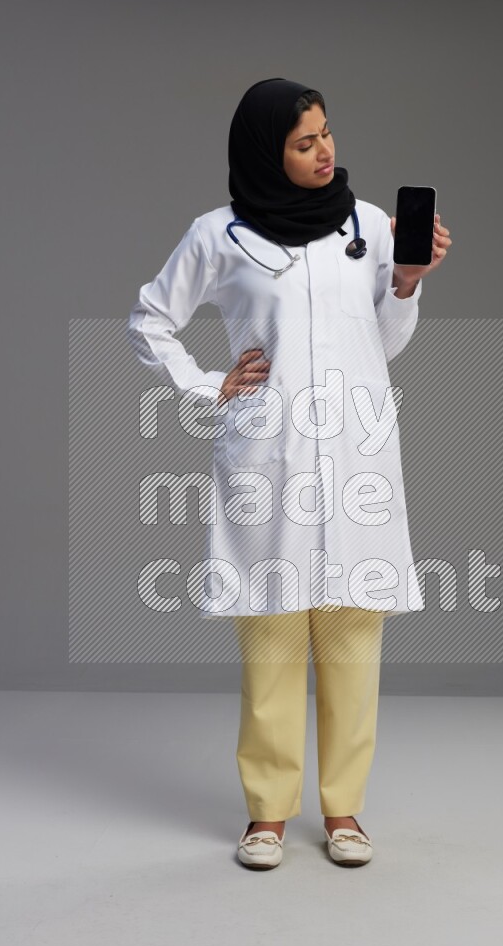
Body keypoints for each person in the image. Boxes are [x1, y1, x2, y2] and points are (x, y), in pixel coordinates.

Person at [127, 78, 451, 869]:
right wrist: (211, 384)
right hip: (268, 456)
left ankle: (344, 811)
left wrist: (406, 280)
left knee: (351, 638)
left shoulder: (370, 225)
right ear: (266, 154)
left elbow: (387, 342)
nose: (325, 152)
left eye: (328, 135)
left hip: (355, 455)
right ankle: (267, 813)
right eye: (304, 143)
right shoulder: (221, 235)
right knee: (271, 637)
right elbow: (150, 319)